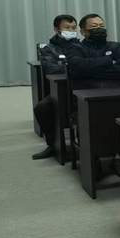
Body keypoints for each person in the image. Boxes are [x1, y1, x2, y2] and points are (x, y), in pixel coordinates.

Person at [32, 14, 79, 160]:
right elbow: (51, 69)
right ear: (57, 30)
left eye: (73, 28)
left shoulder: (81, 46)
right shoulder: (49, 49)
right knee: (42, 108)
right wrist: (77, 67)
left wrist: (71, 67)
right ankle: (52, 145)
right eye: (67, 28)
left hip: (80, 88)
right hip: (61, 90)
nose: (71, 31)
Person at [66, 14, 120, 87]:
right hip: (86, 91)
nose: (99, 28)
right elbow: (76, 69)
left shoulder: (116, 47)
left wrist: (88, 72)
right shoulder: (75, 48)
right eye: (94, 26)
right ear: (83, 32)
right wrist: (108, 61)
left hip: (117, 89)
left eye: (102, 26)